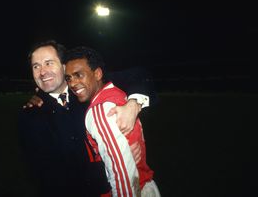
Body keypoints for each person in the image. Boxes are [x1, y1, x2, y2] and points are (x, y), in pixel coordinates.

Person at [18, 40, 154, 197]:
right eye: (36, 66)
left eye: (48, 63)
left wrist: (134, 103)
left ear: (64, 66)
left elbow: (139, 76)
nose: (42, 72)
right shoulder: (29, 115)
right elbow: (44, 175)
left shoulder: (87, 88)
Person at [64, 46, 161, 197]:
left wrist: (135, 102)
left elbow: (122, 174)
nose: (73, 83)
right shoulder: (118, 92)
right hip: (145, 185)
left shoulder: (100, 109)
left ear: (97, 73)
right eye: (69, 78)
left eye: (79, 75)